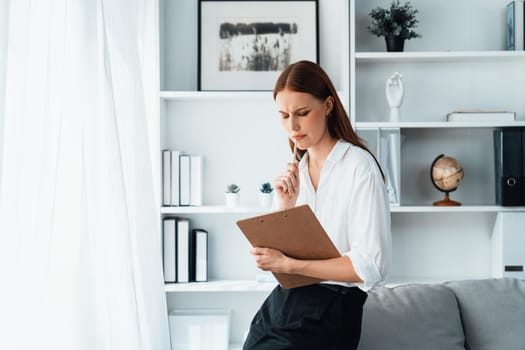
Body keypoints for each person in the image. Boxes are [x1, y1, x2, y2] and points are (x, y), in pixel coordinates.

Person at [243, 60, 391, 350]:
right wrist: (286, 206)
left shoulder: (359, 167)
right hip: (283, 305)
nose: (292, 127)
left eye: (302, 113)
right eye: (283, 116)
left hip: (332, 311)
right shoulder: (297, 170)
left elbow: (370, 266)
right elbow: (282, 266)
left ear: (328, 106)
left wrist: (290, 264)